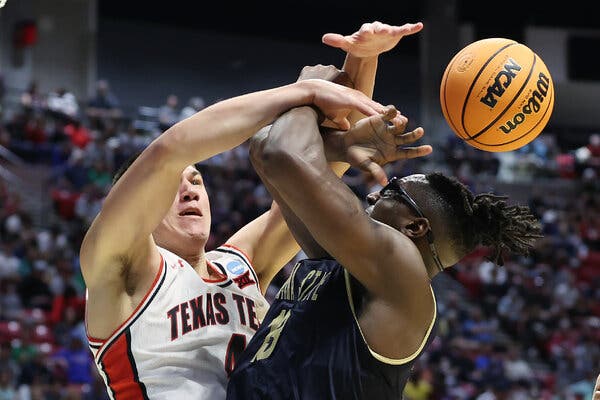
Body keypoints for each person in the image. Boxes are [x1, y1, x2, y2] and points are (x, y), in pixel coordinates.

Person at [80, 20, 424, 399]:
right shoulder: (120, 269)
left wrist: (361, 60)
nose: (189, 190)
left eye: (196, 181)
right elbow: (168, 153)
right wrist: (301, 92)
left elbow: (313, 182)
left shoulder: (237, 268)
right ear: (137, 208)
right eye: (173, 186)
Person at [226, 105, 543, 398]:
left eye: (392, 192)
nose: (374, 195)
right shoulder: (347, 263)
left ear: (415, 228)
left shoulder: (401, 265)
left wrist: (310, 93)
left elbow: (279, 153)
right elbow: (264, 149)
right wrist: (339, 145)